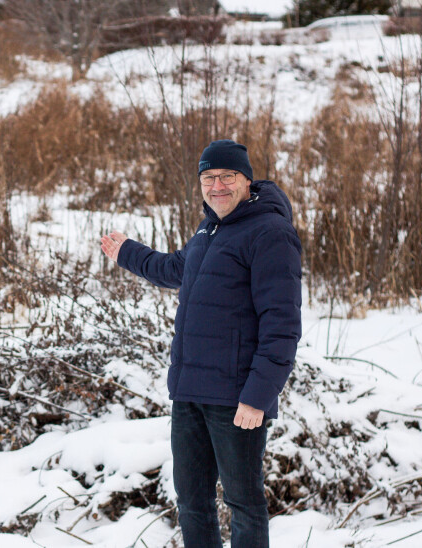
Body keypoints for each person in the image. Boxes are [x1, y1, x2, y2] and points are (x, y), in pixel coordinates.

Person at [100, 139, 302, 547]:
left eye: (227, 176)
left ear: (247, 180)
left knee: (243, 502)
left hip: (237, 399)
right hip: (190, 392)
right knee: (192, 501)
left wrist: (258, 396)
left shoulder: (271, 233)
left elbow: (282, 326)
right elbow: (175, 267)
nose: (217, 186)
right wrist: (127, 252)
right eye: (209, 178)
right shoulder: (209, 229)